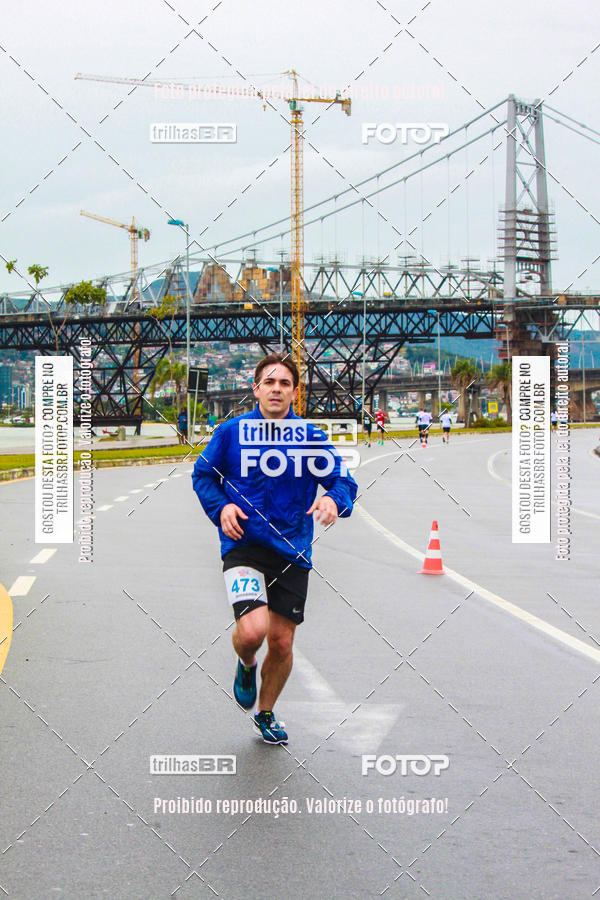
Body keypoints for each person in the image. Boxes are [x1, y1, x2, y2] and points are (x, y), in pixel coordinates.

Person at [192, 353, 357, 745]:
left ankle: (265, 713)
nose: (276, 389)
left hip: (292, 549)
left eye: (285, 383)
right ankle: (246, 661)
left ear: (295, 392)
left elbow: (344, 482)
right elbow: (203, 476)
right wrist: (221, 508)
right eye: (269, 382)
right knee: (253, 632)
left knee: (282, 641)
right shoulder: (231, 433)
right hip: (244, 545)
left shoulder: (309, 438)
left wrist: (333, 499)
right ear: (256, 389)